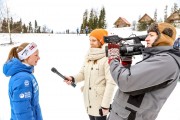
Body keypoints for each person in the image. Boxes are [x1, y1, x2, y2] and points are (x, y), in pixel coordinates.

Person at [107, 22, 180, 120]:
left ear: (163, 37)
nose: (146, 39)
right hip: (123, 115)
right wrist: (126, 63)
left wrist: (113, 59)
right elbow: (138, 82)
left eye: (151, 35)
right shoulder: (158, 57)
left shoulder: (165, 61)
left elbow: (126, 82)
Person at [64, 29, 116, 120]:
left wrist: (105, 105)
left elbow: (111, 83)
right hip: (89, 101)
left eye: (94, 40)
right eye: (90, 40)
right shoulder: (89, 55)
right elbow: (82, 73)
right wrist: (72, 78)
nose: (91, 43)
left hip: (100, 103)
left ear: (101, 41)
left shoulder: (107, 58)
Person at [3, 42, 43, 120]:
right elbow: (23, 112)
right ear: (26, 56)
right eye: (36, 55)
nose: (39, 58)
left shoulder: (26, 74)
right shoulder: (23, 78)